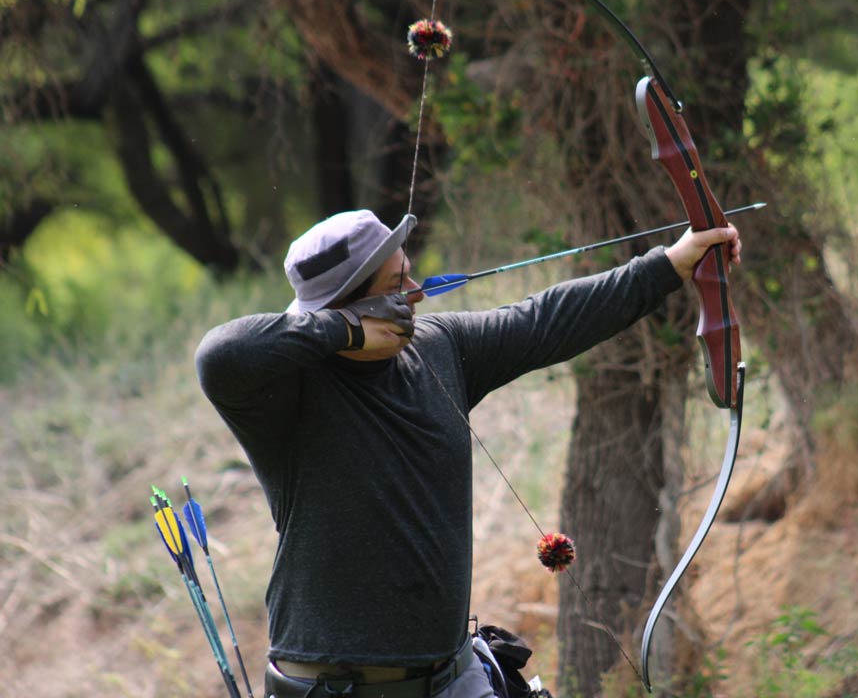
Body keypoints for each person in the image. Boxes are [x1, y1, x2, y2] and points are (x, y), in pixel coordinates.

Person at [195, 208, 741, 698]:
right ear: (354, 307)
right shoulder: (285, 392)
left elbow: (544, 319)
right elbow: (218, 353)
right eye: (395, 284)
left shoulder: (440, 346)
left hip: (454, 678)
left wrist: (671, 264)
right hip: (334, 689)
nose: (416, 290)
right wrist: (344, 332)